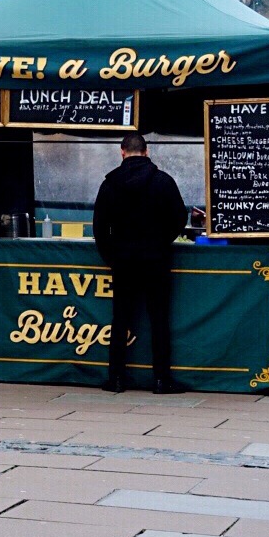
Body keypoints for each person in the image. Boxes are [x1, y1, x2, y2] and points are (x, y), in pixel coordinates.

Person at [91, 133, 187, 394]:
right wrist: (160, 242)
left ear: (122, 151)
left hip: (123, 261)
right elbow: (180, 217)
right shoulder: (163, 182)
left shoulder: (110, 184)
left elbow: (99, 228)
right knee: (159, 320)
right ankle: (161, 380)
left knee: (121, 319)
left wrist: (112, 256)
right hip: (156, 259)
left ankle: (117, 379)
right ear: (146, 151)